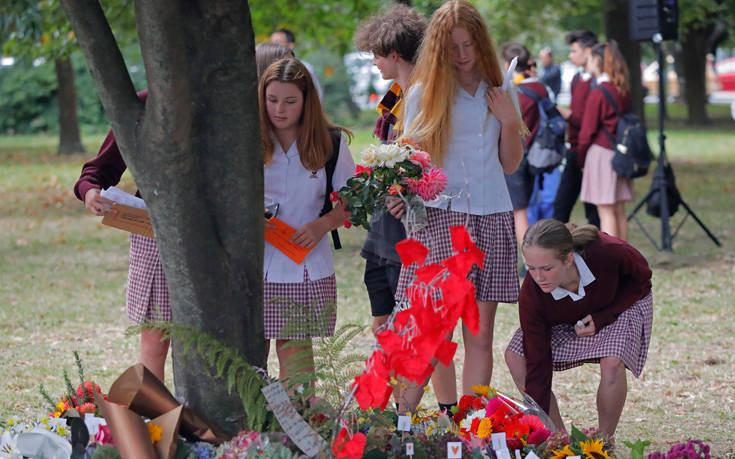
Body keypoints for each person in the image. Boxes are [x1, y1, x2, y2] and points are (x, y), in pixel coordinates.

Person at [394, 0, 524, 411]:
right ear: (437, 48)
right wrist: (401, 195)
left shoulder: (500, 89)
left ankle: (470, 427)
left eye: (469, 45)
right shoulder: (423, 94)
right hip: (442, 220)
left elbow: (511, 163)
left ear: (481, 43)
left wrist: (508, 120)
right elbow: (412, 162)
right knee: (435, 329)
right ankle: (402, 423)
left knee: (480, 333)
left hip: (492, 213)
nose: (463, 55)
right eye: (452, 47)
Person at [504, 219, 653, 438]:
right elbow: (537, 360)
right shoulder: (532, 294)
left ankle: (603, 441)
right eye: (531, 268)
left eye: (547, 268)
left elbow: (642, 279)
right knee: (515, 356)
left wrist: (604, 317)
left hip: (617, 306)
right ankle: (557, 437)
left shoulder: (608, 252)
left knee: (612, 362)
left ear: (568, 259)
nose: (538, 277)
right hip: (567, 317)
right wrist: (539, 427)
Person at [259, 58, 355, 382]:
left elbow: (352, 203)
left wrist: (322, 225)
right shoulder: (246, 140)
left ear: (307, 101)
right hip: (252, 262)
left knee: (296, 358)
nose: (279, 110)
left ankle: (297, 426)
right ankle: (252, 430)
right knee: (249, 358)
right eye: (271, 100)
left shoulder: (332, 143)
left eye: (290, 101)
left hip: (305, 265)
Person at [73, 90, 170, 382]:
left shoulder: (230, 102)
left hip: (216, 237)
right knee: (155, 341)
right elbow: (99, 169)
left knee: (207, 348)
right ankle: (154, 422)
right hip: (154, 235)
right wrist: (90, 190)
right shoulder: (143, 104)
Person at [578, 41, 634, 240]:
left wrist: (581, 157)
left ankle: (613, 260)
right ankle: (625, 258)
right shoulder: (621, 89)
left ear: (598, 61)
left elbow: (587, 132)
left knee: (606, 211)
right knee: (619, 210)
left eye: (592, 58)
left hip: (602, 154)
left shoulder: (599, 92)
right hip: (620, 153)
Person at [500, 42, 547, 260]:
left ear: (509, 64)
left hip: (517, 154)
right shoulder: (540, 87)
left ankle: (529, 260)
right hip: (536, 154)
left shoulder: (514, 92)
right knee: (527, 210)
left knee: (519, 213)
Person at [554, 30, 600, 228]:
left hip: (589, 150)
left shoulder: (598, 82)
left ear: (588, 51)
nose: (570, 56)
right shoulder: (576, 79)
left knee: (594, 211)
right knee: (561, 206)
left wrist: (567, 114)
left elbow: (590, 122)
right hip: (573, 149)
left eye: (574, 51)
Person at [270, 28, 323, 100]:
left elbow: (317, 96)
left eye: (277, 43)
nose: (272, 47)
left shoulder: (305, 68)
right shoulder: (269, 69)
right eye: (271, 43)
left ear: (290, 45)